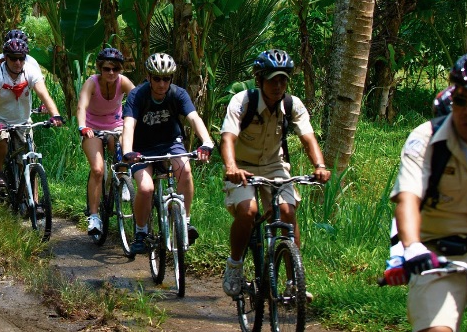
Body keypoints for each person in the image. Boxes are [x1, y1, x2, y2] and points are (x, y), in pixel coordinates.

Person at [219, 49, 330, 298]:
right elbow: (227, 137)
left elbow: (308, 138)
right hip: (241, 167)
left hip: (275, 166)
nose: (278, 85)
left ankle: (295, 282)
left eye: (283, 79)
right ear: (259, 80)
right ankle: (234, 265)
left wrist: (320, 166)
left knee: (287, 213)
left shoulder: (292, 104)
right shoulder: (242, 101)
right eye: (272, 79)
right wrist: (231, 167)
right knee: (248, 212)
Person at [391, 54, 467, 332]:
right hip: (438, 252)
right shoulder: (425, 139)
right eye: (463, 100)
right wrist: (412, 248)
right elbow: (408, 198)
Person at [120, 53, 213, 255]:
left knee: (185, 171)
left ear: (171, 79)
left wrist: (206, 142)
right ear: (149, 77)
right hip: (141, 147)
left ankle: (185, 223)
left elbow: (194, 118)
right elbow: (128, 125)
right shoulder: (138, 95)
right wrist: (128, 151)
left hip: (171, 143)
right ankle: (141, 233)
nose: (162, 83)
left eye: (166, 79)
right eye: (157, 78)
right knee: (145, 188)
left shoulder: (178, 94)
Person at [0, 38, 63, 192]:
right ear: (5, 58)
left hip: (23, 121)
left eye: (21, 58)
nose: (18, 62)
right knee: (0, 138)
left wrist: (55, 115)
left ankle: (35, 203)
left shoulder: (30, 71)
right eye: (13, 58)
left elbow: (44, 95)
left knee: (29, 161)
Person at [76, 47, 135, 238]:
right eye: (107, 68)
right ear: (100, 68)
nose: (111, 73)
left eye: (116, 69)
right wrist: (82, 126)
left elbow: (138, 100)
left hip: (115, 127)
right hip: (92, 128)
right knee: (98, 169)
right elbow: (81, 105)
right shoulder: (91, 83)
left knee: (122, 152)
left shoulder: (123, 82)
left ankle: (121, 181)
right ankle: (94, 217)